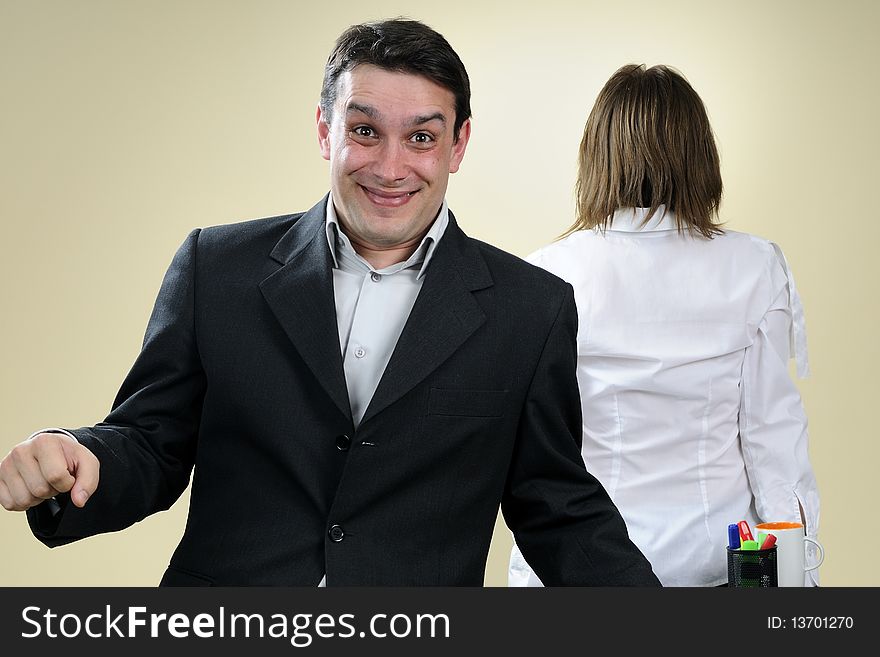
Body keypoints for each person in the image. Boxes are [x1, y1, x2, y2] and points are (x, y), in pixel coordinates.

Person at [0, 19, 659, 587]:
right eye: (365, 130)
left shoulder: (531, 310)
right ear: (325, 129)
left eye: (422, 138)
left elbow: (558, 508)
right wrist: (75, 454)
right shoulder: (216, 267)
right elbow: (150, 442)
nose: (391, 166)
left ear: (458, 145)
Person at [509, 64, 820, 587]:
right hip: (717, 568)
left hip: (574, 568)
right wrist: (797, 577)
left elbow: (532, 456)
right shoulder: (754, 265)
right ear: (700, 153)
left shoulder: (544, 273)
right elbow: (774, 443)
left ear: (597, 154)